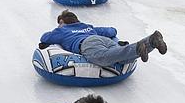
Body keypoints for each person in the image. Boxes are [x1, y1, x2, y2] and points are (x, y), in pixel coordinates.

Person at [39, 10, 167, 66]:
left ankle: (138, 47)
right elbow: (111, 30)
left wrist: (58, 29)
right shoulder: (88, 26)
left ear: (62, 21)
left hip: (86, 44)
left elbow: (45, 38)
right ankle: (151, 41)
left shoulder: (62, 30)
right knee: (121, 59)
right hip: (102, 39)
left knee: (104, 58)